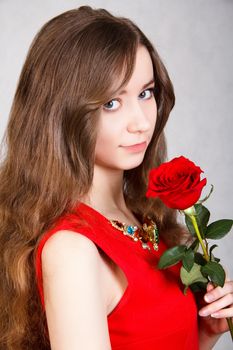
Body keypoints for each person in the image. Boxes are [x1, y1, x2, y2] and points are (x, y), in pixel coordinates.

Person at [0, 5, 232, 350]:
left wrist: (206, 331)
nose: (140, 121)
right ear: (62, 113)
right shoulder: (74, 250)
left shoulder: (144, 217)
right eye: (111, 102)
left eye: (145, 93)